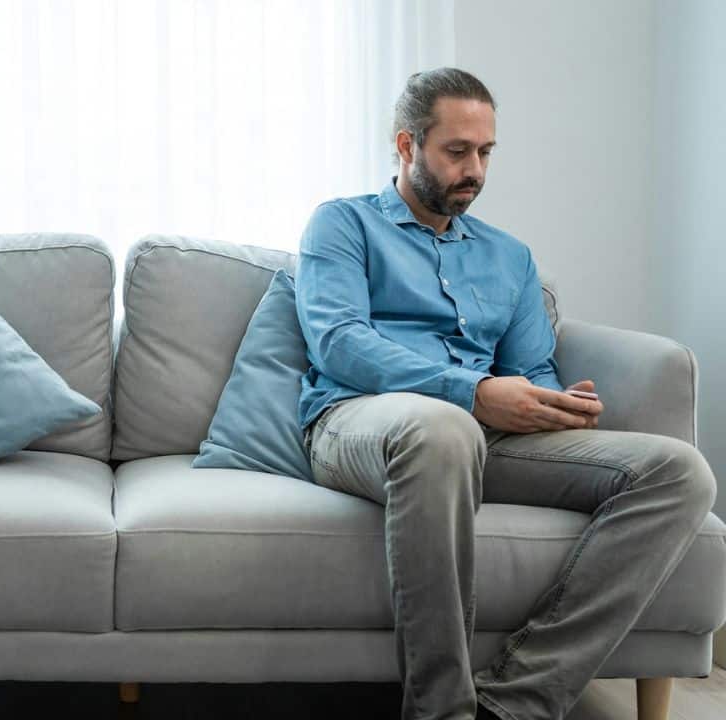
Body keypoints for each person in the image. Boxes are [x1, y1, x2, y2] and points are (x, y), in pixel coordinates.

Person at [296, 67, 716, 720]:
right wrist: (474, 391)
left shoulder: (509, 257)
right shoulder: (343, 225)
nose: (475, 171)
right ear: (407, 145)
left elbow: (529, 368)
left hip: (483, 437)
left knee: (679, 472)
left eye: (486, 152)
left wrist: (553, 405)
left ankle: (514, 703)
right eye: (457, 151)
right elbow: (339, 343)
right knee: (443, 430)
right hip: (359, 423)